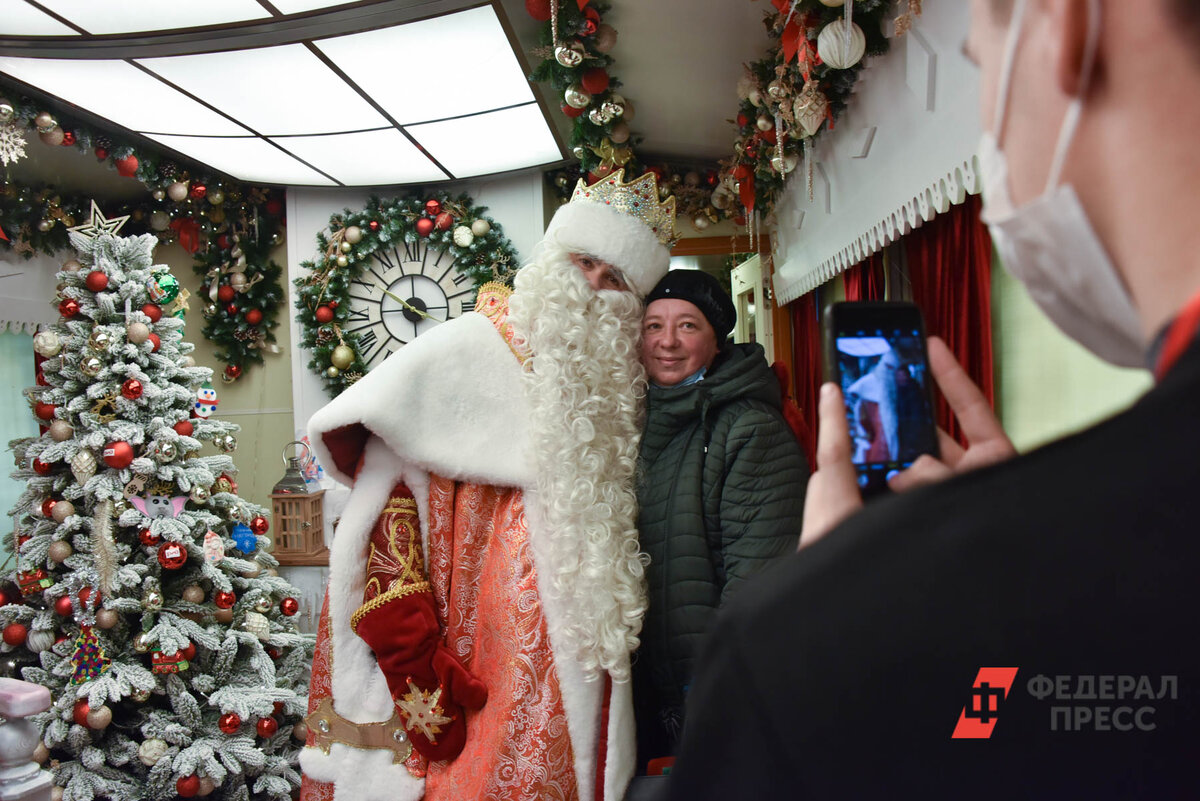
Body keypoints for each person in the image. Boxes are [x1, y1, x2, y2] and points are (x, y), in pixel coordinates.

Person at [666, 0, 1200, 797]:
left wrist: (855, 607)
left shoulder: (802, 650)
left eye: (981, 69)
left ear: (1070, 23)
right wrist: (1015, 563)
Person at [298, 169, 676, 801]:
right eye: (584, 263)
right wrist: (413, 662)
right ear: (553, 261)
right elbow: (385, 511)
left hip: (575, 691)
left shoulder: (612, 397)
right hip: (474, 681)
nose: (592, 288)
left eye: (616, 281)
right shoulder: (462, 352)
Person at [632, 269, 808, 771]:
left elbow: (758, 580)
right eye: (653, 326)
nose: (667, 342)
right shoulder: (630, 421)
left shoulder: (748, 428)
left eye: (688, 326)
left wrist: (717, 690)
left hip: (711, 690)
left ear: (715, 340)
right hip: (642, 689)